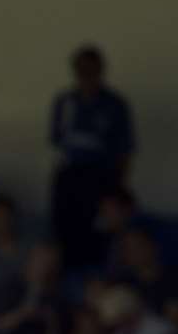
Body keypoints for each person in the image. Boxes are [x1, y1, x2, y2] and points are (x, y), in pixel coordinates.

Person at [48, 45, 134, 267]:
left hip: (101, 178)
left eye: (91, 70)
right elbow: (58, 141)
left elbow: (125, 150)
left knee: (99, 234)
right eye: (81, 70)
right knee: (64, 231)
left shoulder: (115, 105)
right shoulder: (64, 102)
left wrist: (117, 189)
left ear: (101, 70)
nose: (86, 75)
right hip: (70, 176)